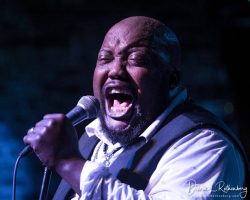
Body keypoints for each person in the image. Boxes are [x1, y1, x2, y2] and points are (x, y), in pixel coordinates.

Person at [23, 16, 249, 199]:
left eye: (136, 59)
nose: (115, 70)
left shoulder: (207, 147)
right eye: (105, 59)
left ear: (172, 80)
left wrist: (70, 163)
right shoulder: (92, 139)